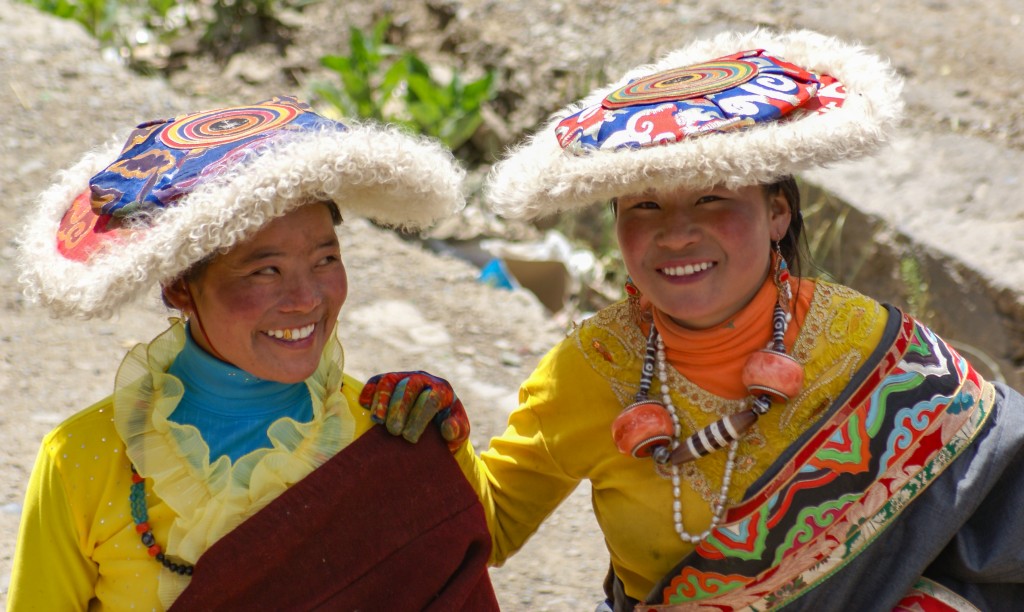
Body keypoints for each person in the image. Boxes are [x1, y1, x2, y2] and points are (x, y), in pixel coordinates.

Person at [361, 30, 1024, 610]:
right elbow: (491, 526)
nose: (676, 234)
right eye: (643, 206)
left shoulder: (875, 348)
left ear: (778, 214)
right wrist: (431, 444)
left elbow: (998, 511)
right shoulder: (590, 372)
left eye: (712, 198)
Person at [8, 95, 498, 610]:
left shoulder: (383, 434)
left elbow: (472, 550)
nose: (308, 299)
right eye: (266, 270)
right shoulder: (82, 461)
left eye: (325, 259)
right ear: (180, 289)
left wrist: (448, 449)